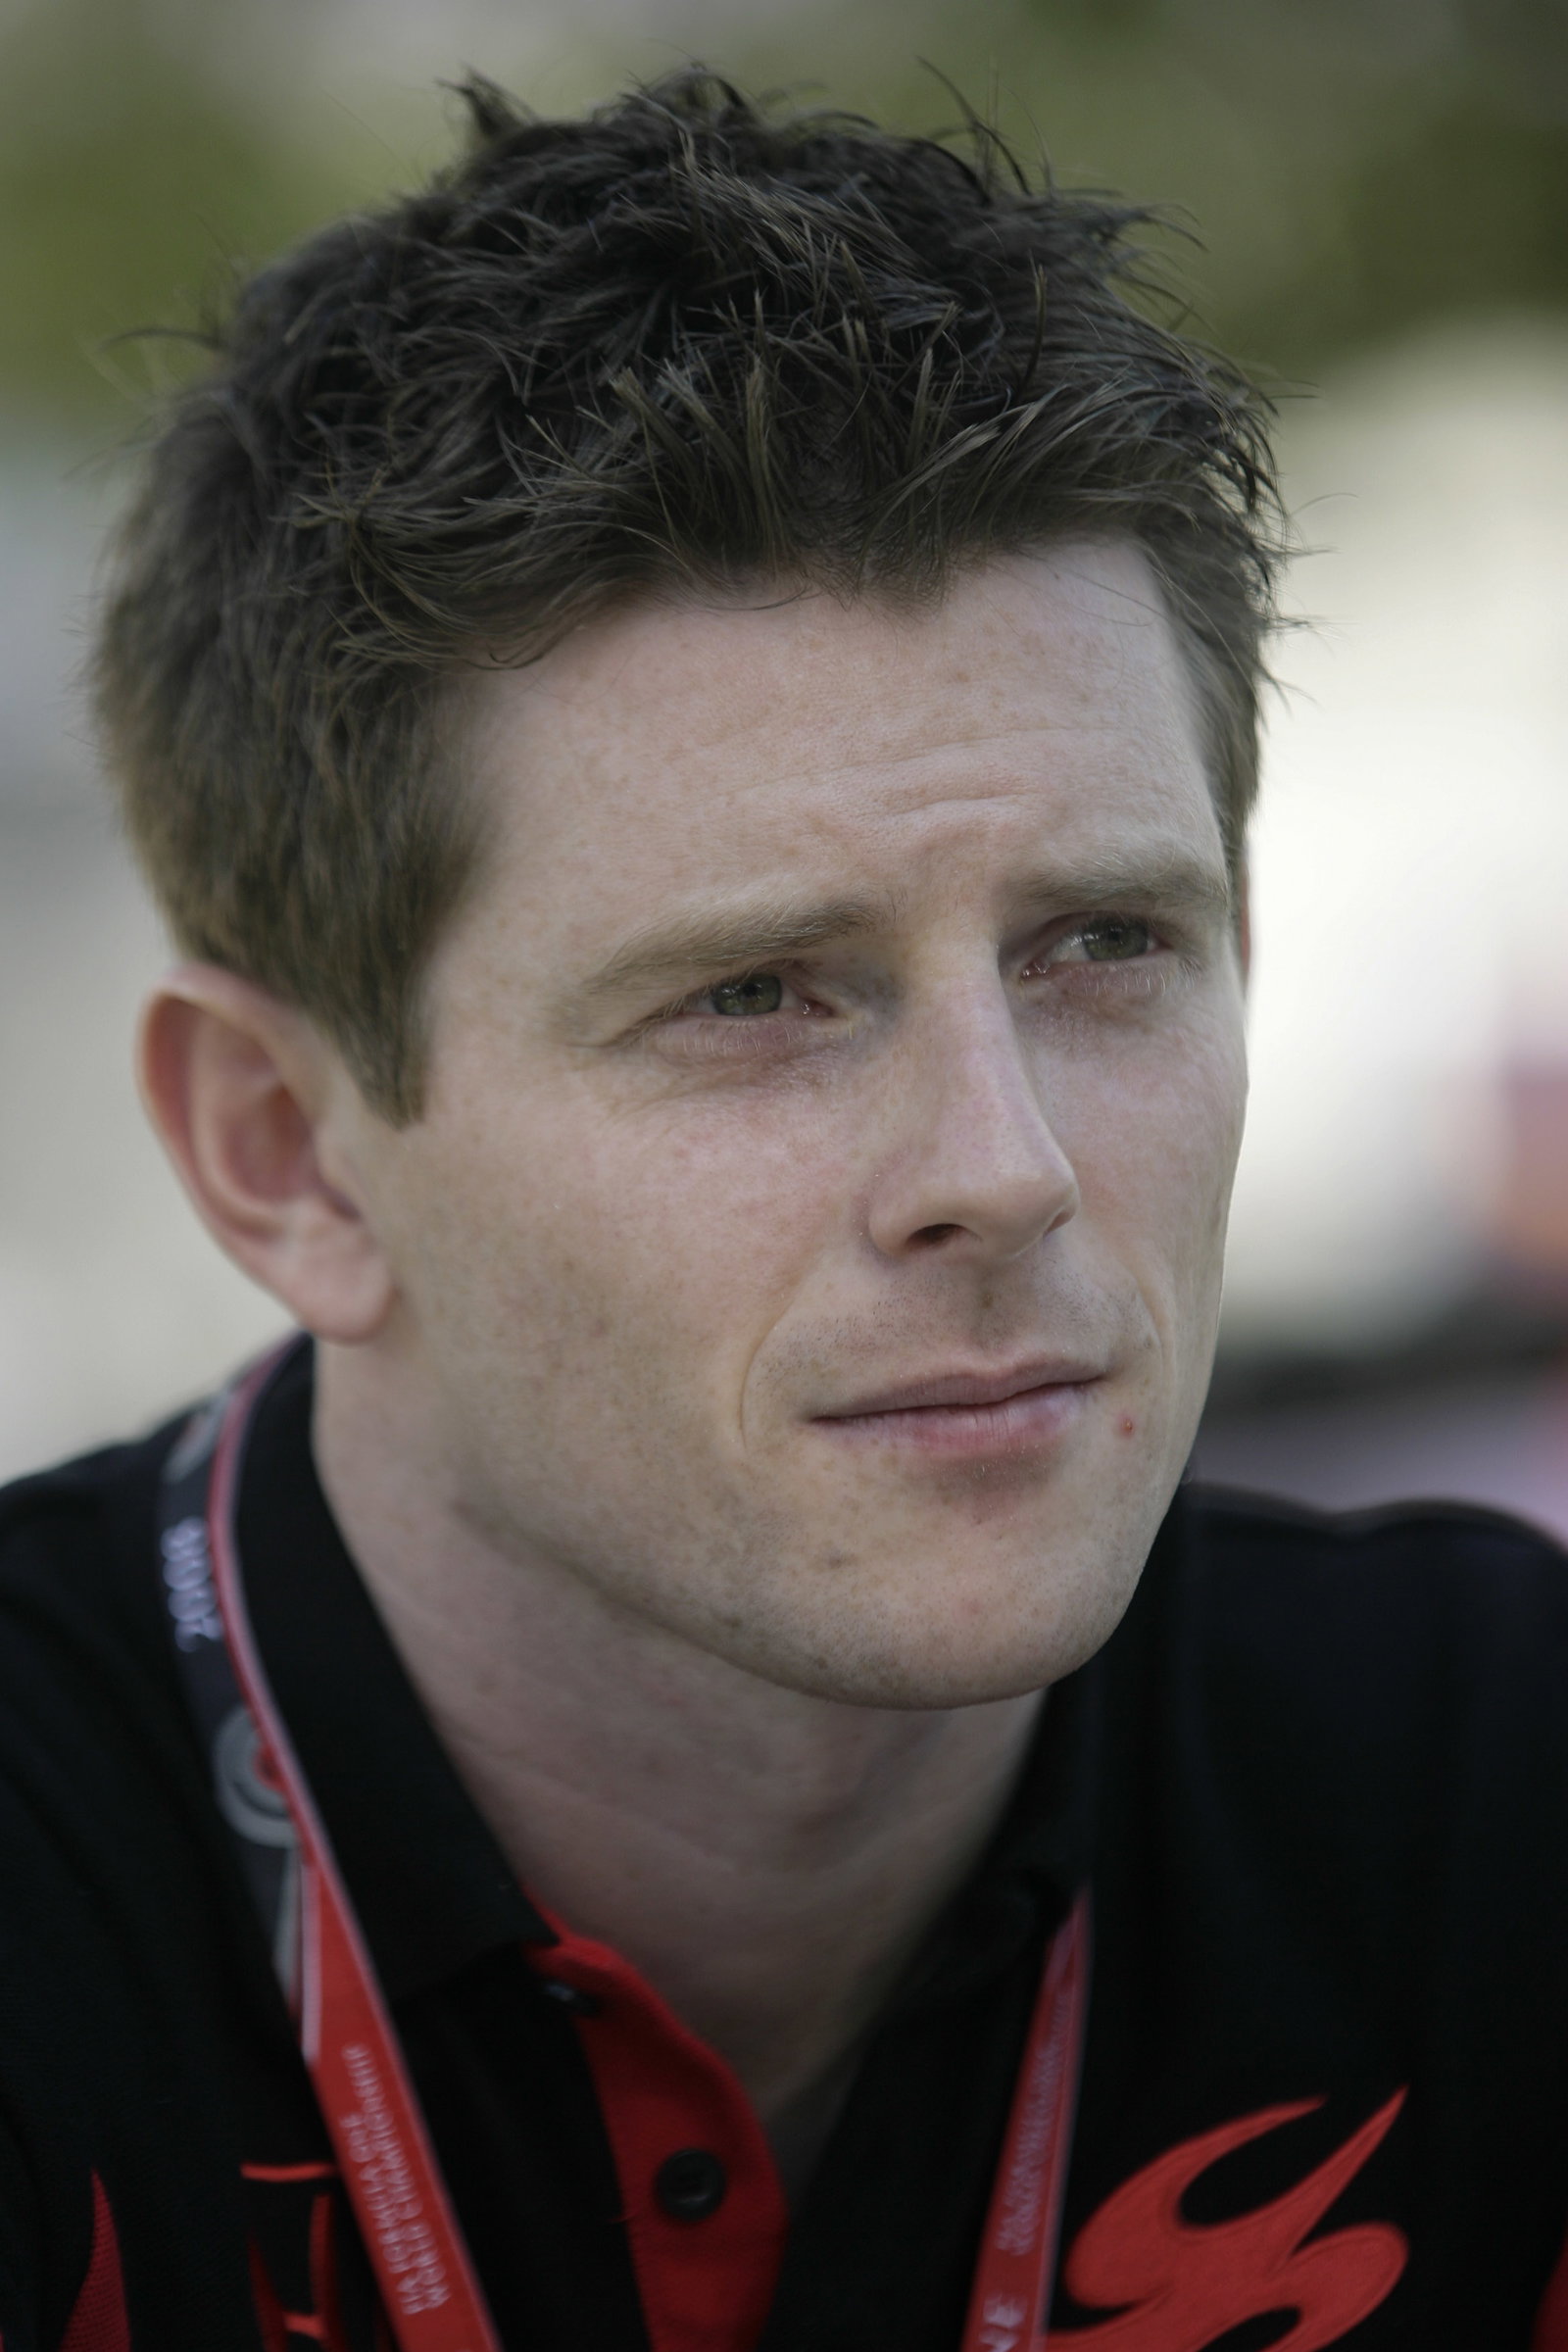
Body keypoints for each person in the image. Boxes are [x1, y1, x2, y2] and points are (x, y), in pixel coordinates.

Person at [1, 67, 1565, 2352]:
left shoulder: (1492, 1806)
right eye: (752, 995)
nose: (1002, 1166)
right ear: (283, 1148)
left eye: (1098, 946)